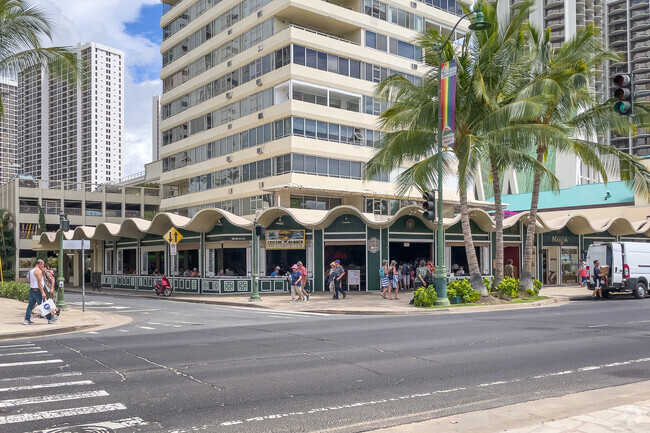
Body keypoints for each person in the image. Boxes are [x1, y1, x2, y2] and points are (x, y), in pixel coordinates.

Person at [24, 260, 58, 325]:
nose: (43, 266)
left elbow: (29, 280)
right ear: (40, 264)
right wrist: (43, 292)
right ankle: (50, 319)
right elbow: (39, 283)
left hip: (32, 290)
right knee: (44, 305)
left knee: (30, 305)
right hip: (37, 290)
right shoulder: (38, 271)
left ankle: (27, 319)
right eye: (43, 264)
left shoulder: (31, 271)